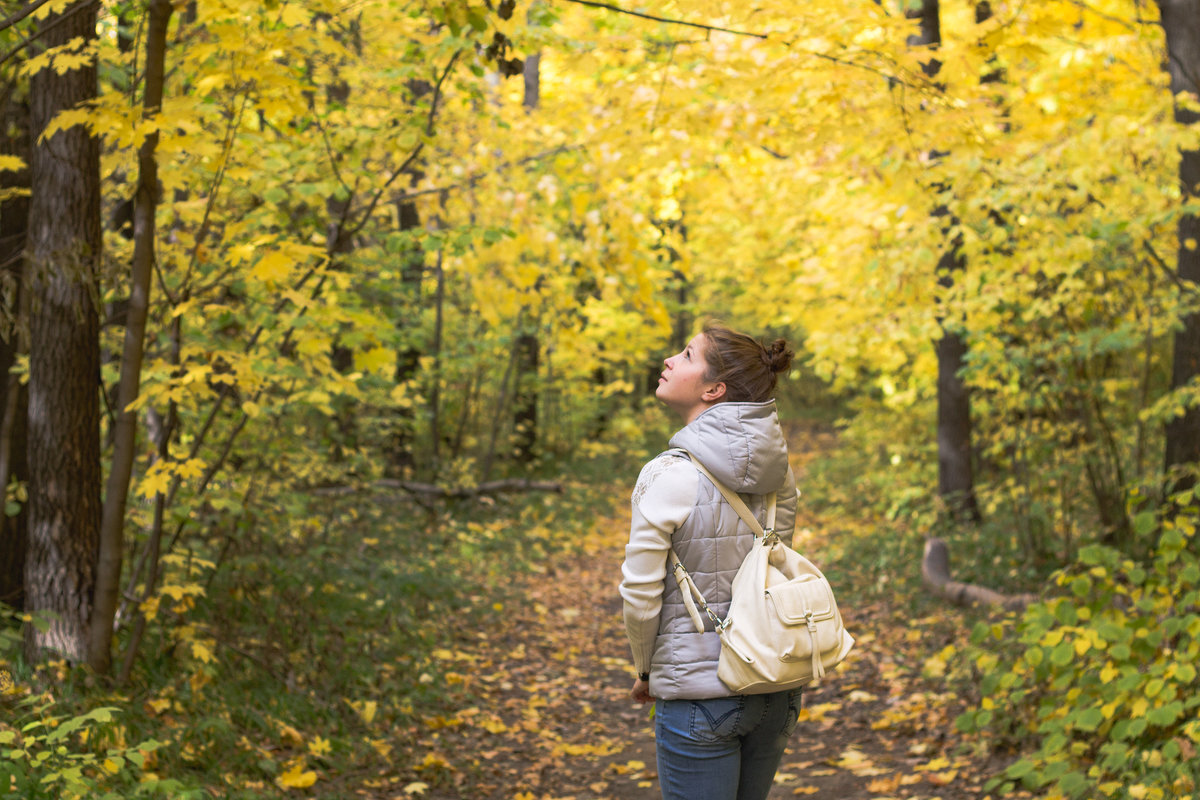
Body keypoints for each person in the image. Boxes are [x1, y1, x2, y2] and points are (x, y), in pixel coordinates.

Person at [620, 323, 800, 800]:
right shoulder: (778, 473)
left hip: (700, 698)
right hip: (774, 689)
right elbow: (771, 570)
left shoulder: (665, 474)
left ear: (713, 389)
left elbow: (640, 594)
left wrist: (645, 671)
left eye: (685, 354)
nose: (669, 360)